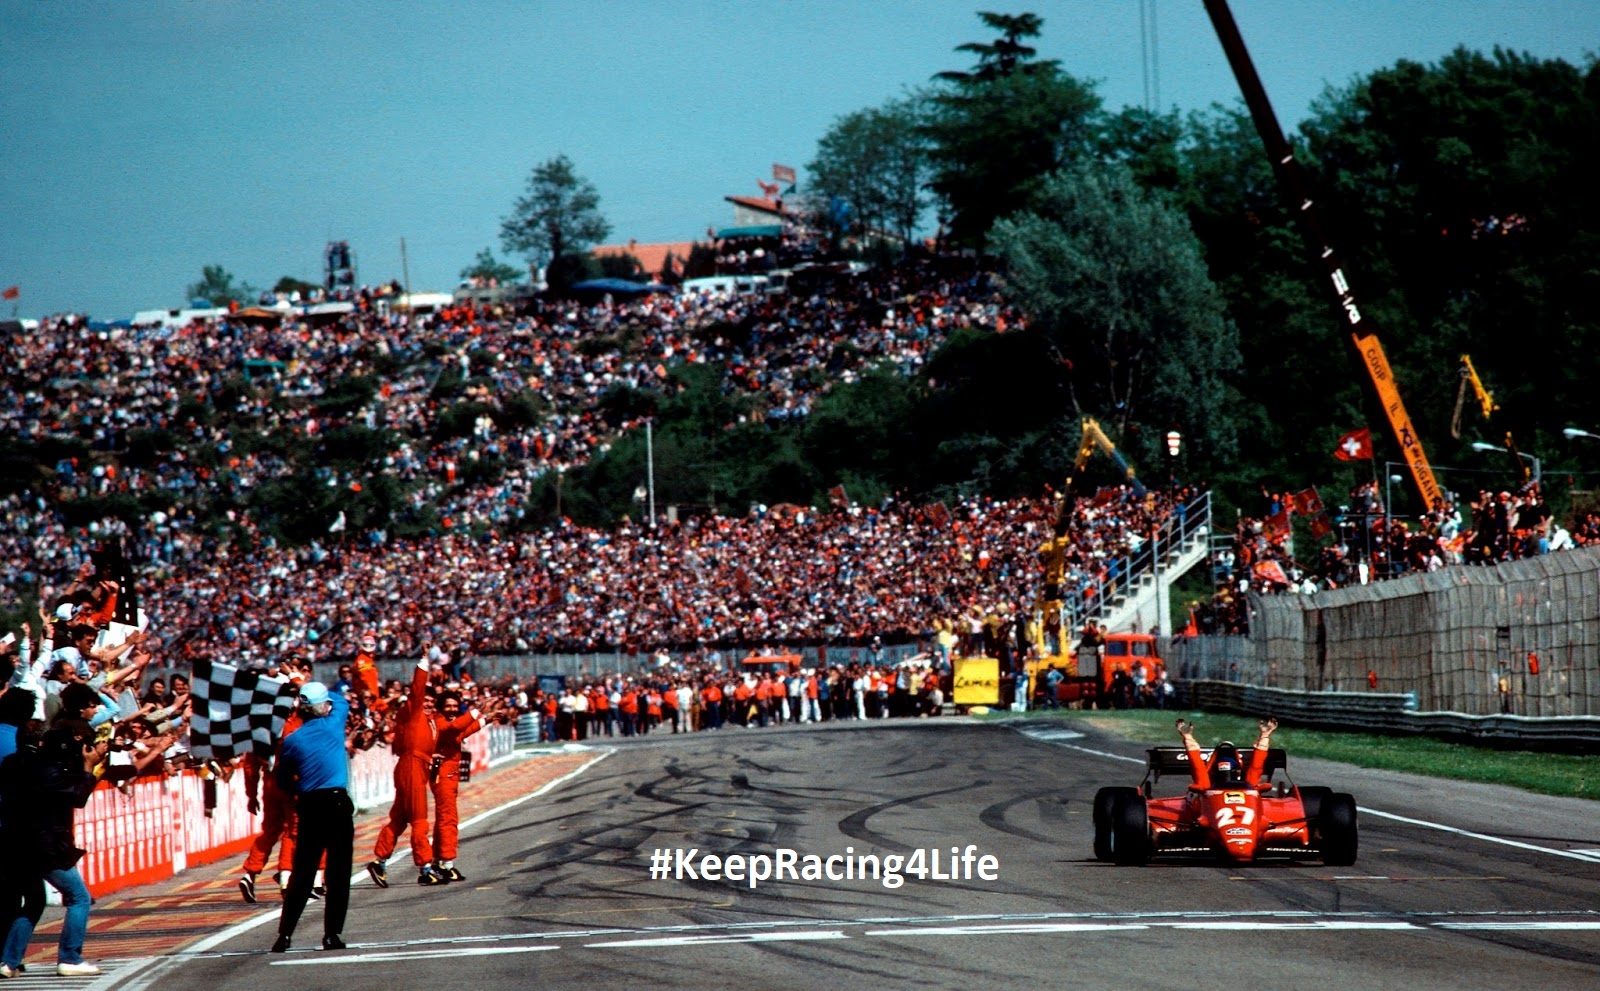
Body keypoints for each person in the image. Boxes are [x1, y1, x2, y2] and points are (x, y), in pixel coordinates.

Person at [0, 719, 105, 977]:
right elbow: (77, 796)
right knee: (79, 898)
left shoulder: (10, 763)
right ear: (43, 741)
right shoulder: (46, 767)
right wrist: (89, 767)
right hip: (46, 845)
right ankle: (70, 958)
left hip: (14, 842)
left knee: (34, 901)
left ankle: (8, 961)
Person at [271, 681, 353, 953]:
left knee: (303, 874)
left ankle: (284, 935)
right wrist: (300, 680)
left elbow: (281, 780)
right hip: (336, 803)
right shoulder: (333, 725)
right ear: (322, 707)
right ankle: (332, 935)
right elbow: (342, 701)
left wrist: (299, 792)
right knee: (338, 874)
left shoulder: (293, 741)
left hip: (309, 805)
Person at [367, 656, 445, 888]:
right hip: (410, 767)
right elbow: (418, 690)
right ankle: (425, 867)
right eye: (426, 700)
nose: (429, 704)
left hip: (416, 768)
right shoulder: (413, 713)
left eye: (433, 701)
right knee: (420, 819)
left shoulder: (432, 722)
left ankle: (379, 861)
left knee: (399, 819)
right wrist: (423, 663)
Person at [427, 690, 482, 883]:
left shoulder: (448, 722)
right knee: (448, 819)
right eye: (448, 706)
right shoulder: (439, 721)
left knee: (444, 818)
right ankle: (447, 863)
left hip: (450, 773)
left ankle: (437, 860)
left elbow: (461, 732)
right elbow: (454, 729)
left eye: (454, 706)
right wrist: (475, 713)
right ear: (441, 708)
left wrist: (486, 719)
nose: (452, 709)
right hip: (443, 774)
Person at [1175, 716, 1277, 789]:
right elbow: (1198, 767)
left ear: (1237, 772)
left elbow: (1256, 767)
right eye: (1222, 773)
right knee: (1203, 783)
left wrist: (1265, 734)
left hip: (1246, 802)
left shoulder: (1250, 786)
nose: (1226, 778)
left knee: (1252, 780)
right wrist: (1187, 737)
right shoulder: (1205, 786)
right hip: (1210, 804)